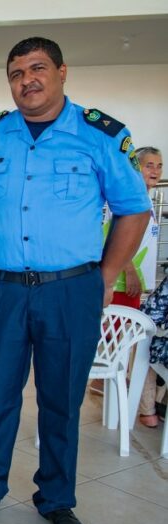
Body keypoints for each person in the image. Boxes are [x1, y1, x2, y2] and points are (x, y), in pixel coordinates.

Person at [0, 37, 150, 524]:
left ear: (61, 72)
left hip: (70, 290)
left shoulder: (101, 135)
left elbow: (134, 209)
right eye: (16, 73)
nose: (26, 80)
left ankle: (56, 500)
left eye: (37, 69)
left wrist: (104, 277)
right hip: (3, 291)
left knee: (61, 403)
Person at [133, 147, 164, 427]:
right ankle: (145, 410)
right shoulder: (131, 199)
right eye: (148, 165)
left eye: (159, 166)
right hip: (128, 286)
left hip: (144, 287)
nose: (155, 171)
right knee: (139, 347)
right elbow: (112, 238)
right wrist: (129, 272)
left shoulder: (148, 201)